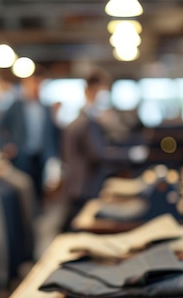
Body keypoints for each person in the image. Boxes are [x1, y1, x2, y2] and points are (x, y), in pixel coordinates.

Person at [61, 67, 148, 231]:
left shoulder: (89, 119)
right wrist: (131, 155)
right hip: (84, 185)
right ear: (90, 91)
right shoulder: (86, 122)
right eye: (102, 90)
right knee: (73, 229)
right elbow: (98, 153)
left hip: (80, 183)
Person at [0, 66, 61, 204]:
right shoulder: (16, 106)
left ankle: (36, 218)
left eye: (39, 84)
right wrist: (7, 144)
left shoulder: (46, 108)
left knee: (39, 189)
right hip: (22, 155)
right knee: (23, 189)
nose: (36, 88)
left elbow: (52, 133)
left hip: (41, 155)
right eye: (33, 84)